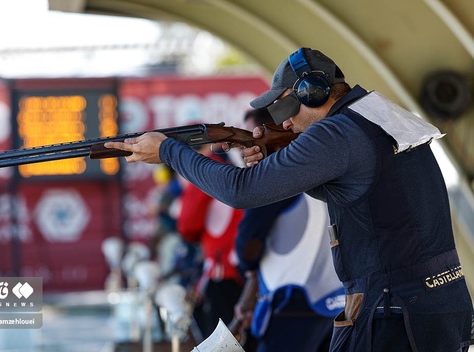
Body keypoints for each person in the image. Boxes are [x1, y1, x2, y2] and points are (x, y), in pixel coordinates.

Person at [104, 47, 474, 351]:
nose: (283, 124)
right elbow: (357, 188)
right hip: (440, 305)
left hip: (392, 314)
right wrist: (277, 162)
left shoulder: (336, 133)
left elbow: (240, 191)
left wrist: (170, 152)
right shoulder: (379, 117)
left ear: (312, 92)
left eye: (283, 108)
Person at [234, 107, 344, 352]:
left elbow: (247, 246)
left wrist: (248, 273)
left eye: (251, 137)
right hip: (334, 296)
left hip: (290, 297)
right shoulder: (326, 165)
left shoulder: (273, 176)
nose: (244, 149)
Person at [176, 144, 245, 340]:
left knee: (220, 342)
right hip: (250, 268)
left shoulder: (205, 169)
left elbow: (186, 225)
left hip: (222, 270)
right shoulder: (232, 165)